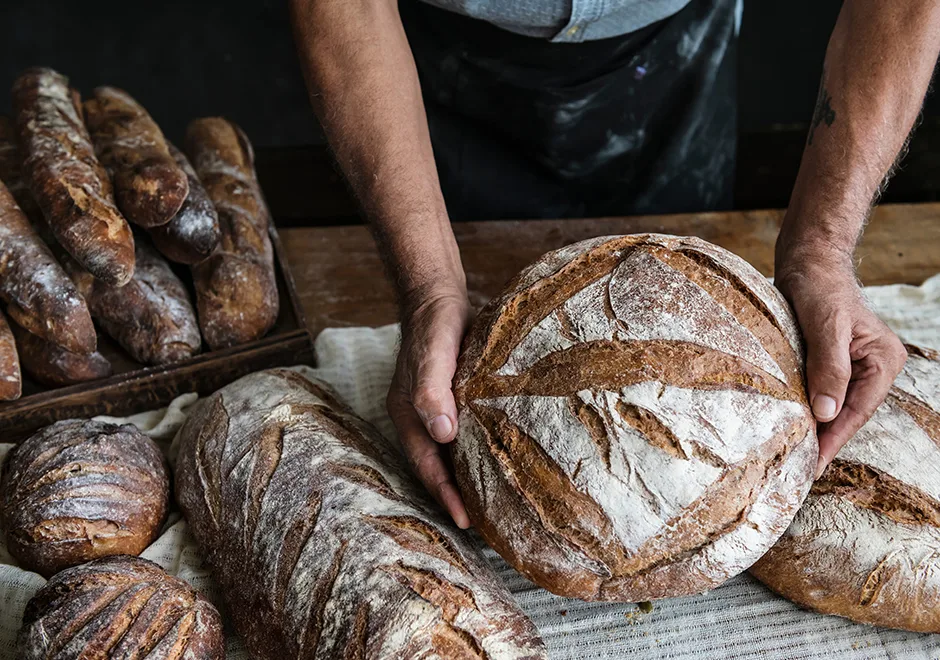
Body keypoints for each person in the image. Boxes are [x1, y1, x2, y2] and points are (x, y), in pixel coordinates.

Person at [290, 0, 940, 528]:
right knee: (467, 367)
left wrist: (821, 253)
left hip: (674, 50)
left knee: (682, 315)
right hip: (420, 73)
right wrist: (427, 285)